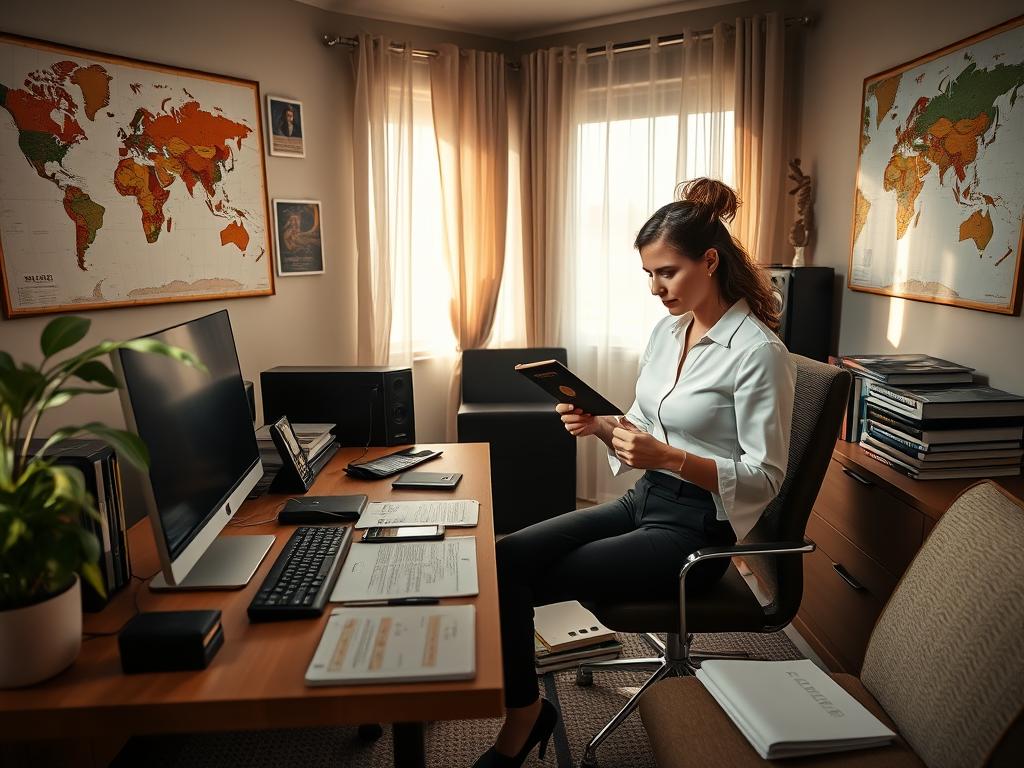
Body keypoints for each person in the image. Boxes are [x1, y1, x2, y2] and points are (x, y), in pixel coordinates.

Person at [473, 178, 796, 767]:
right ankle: (527, 709)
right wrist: (599, 425)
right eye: (649, 275)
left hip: (698, 532)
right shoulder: (669, 331)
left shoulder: (758, 353)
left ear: (711, 260)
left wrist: (670, 458)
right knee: (507, 556)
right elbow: (644, 423)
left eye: (666, 272)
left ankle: (519, 722)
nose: (655, 288)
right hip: (644, 499)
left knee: (525, 579)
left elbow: (767, 477)